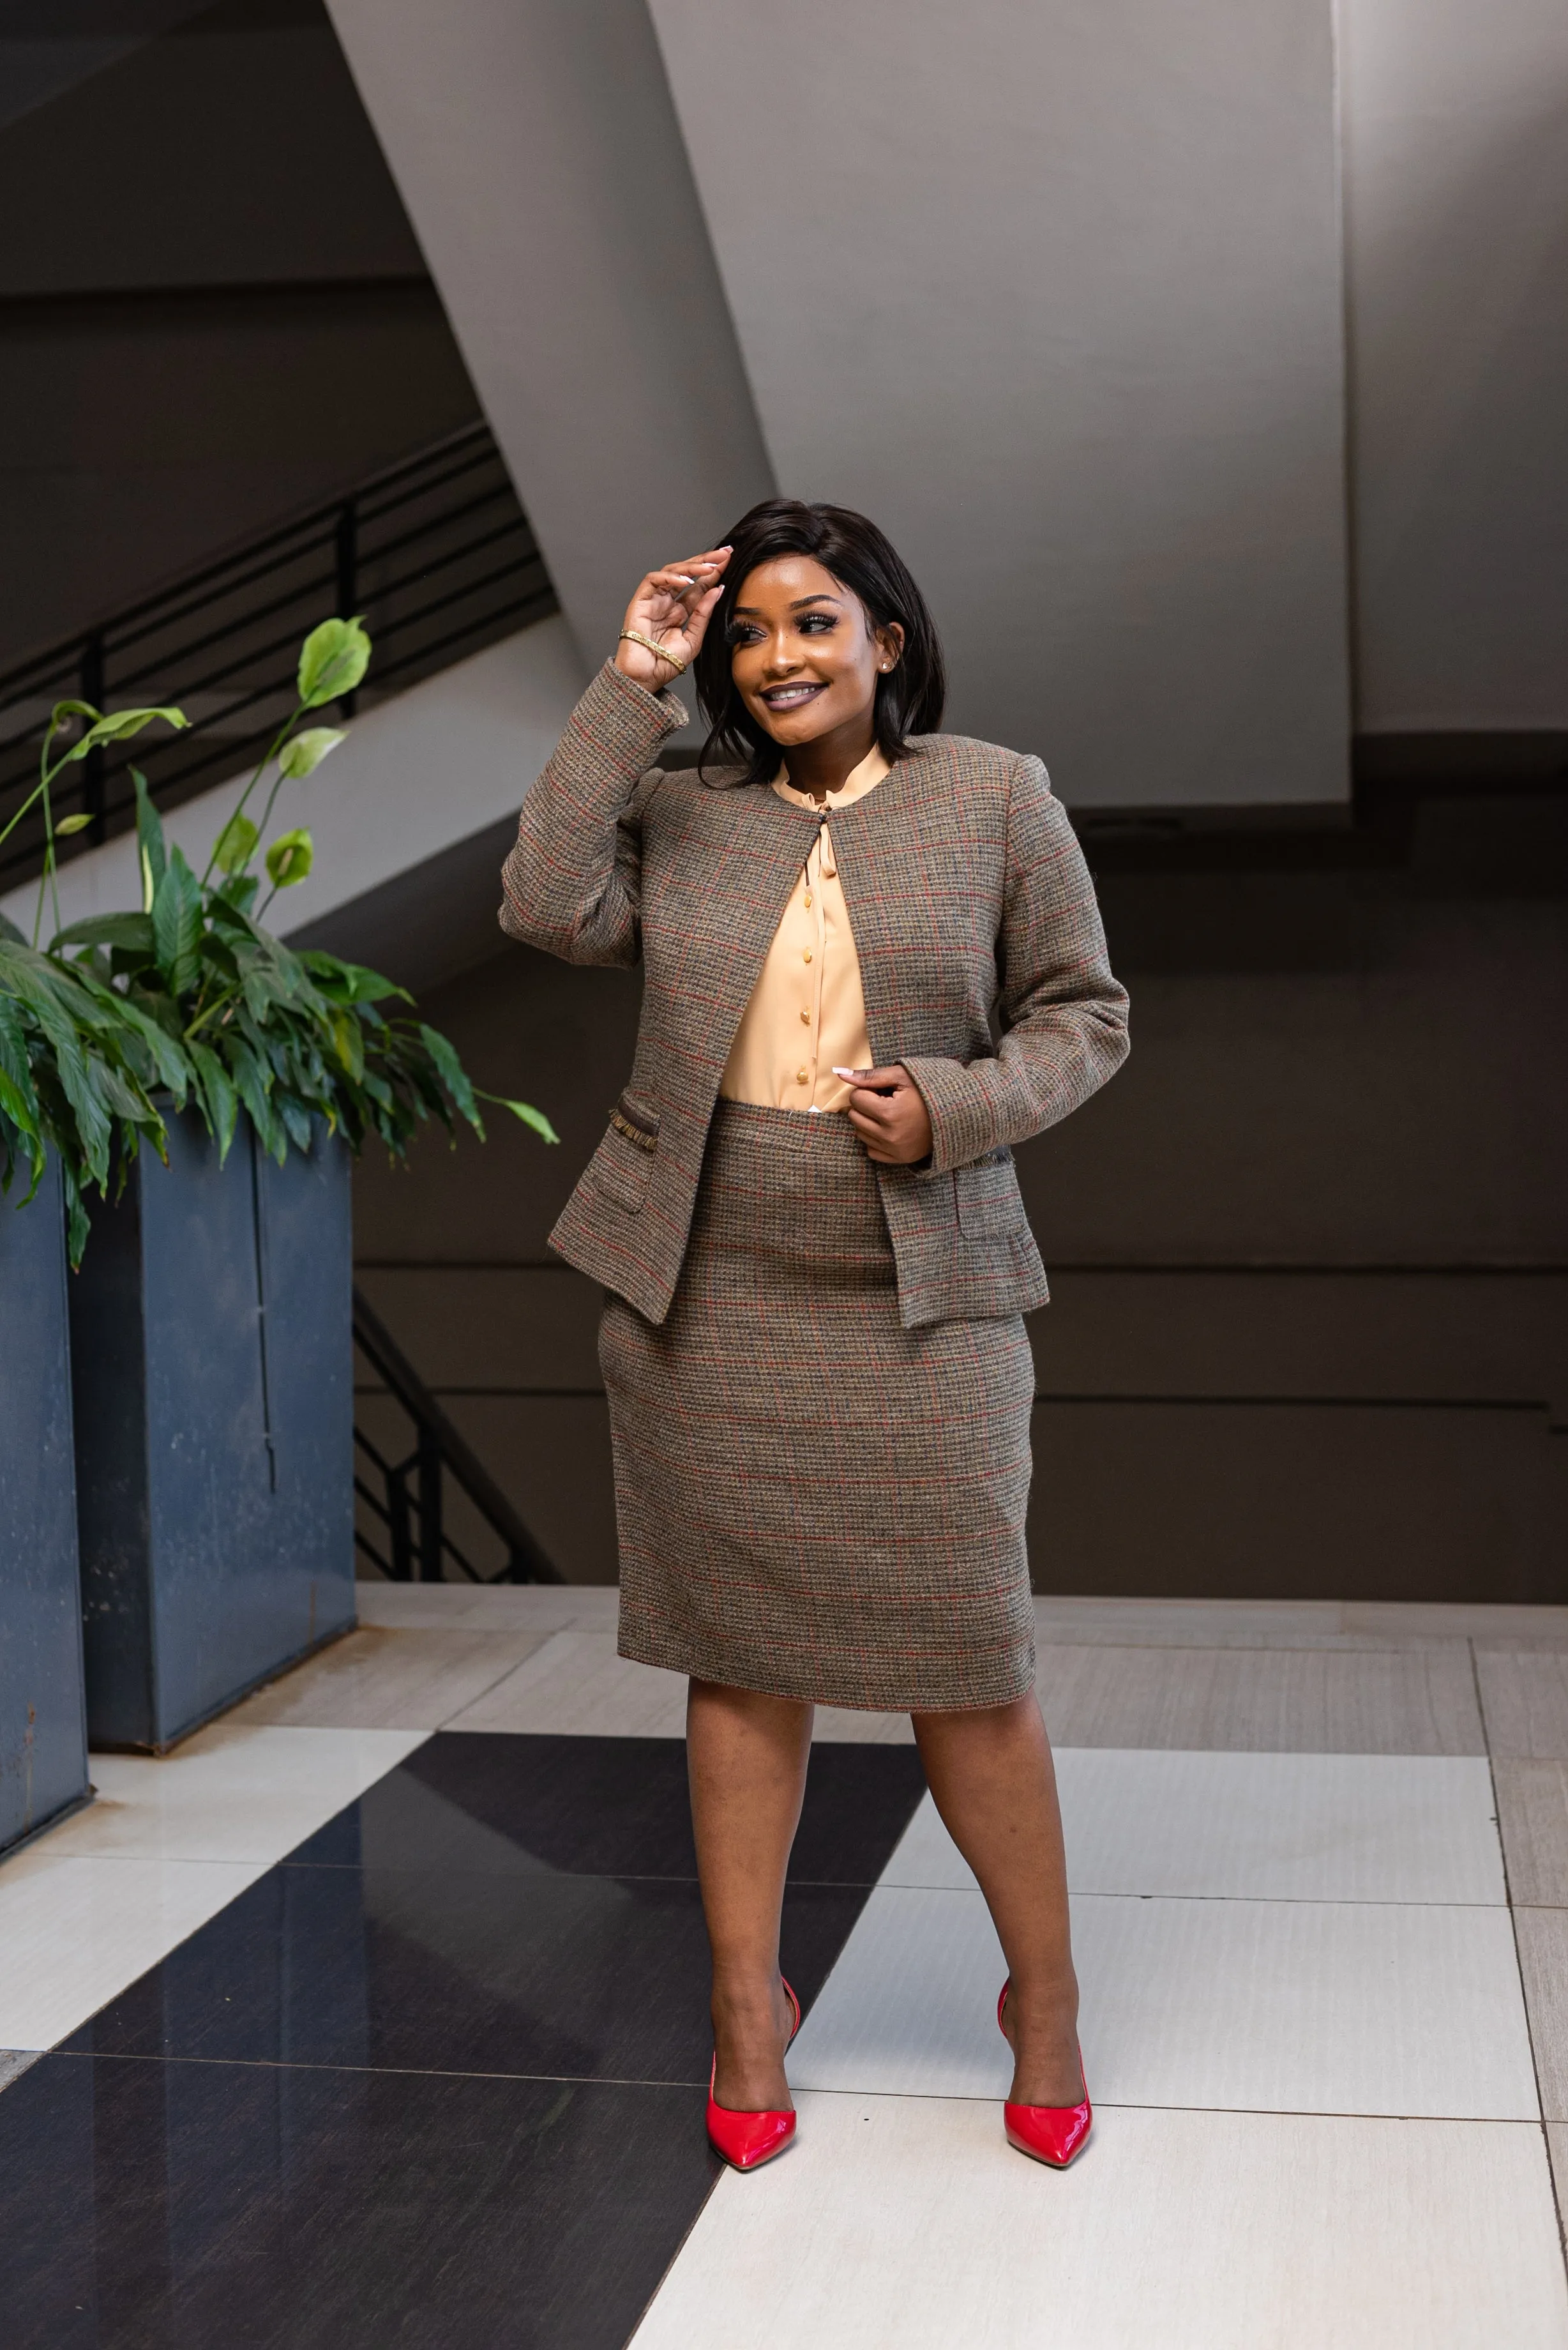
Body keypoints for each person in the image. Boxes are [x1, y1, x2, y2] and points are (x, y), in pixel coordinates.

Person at [499, 500, 1129, 2172]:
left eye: (813, 624)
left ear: (887, 640)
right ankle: (740, 2011)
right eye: (748, 634)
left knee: (971, 1662)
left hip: (924, 1287)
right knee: (741, 1659)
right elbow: (545, 902)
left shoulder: (994, 796)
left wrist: (959, 1106)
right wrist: (630, 682)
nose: (776, 658)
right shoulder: (686, 805)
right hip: (703, 1287)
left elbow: (1087, 1015)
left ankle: (1046, 2005)